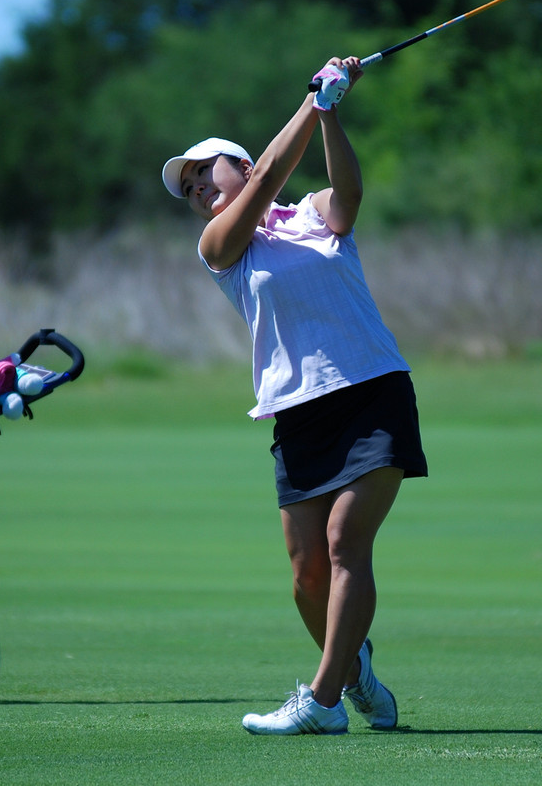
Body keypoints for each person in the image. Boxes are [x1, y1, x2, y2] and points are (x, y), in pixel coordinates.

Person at [161, 57, 427, 735]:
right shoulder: (221, 246)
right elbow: (274, 173)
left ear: (240, 165)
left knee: (344, 542)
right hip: (298, 412)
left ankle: (323, 700)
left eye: (204, 171)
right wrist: (315, 101)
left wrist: (330, 111)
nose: (195, 188)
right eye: (188, 185)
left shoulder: (310, 213)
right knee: (307, 575)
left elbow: (348, 195)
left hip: (371, 391)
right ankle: (356, 672)